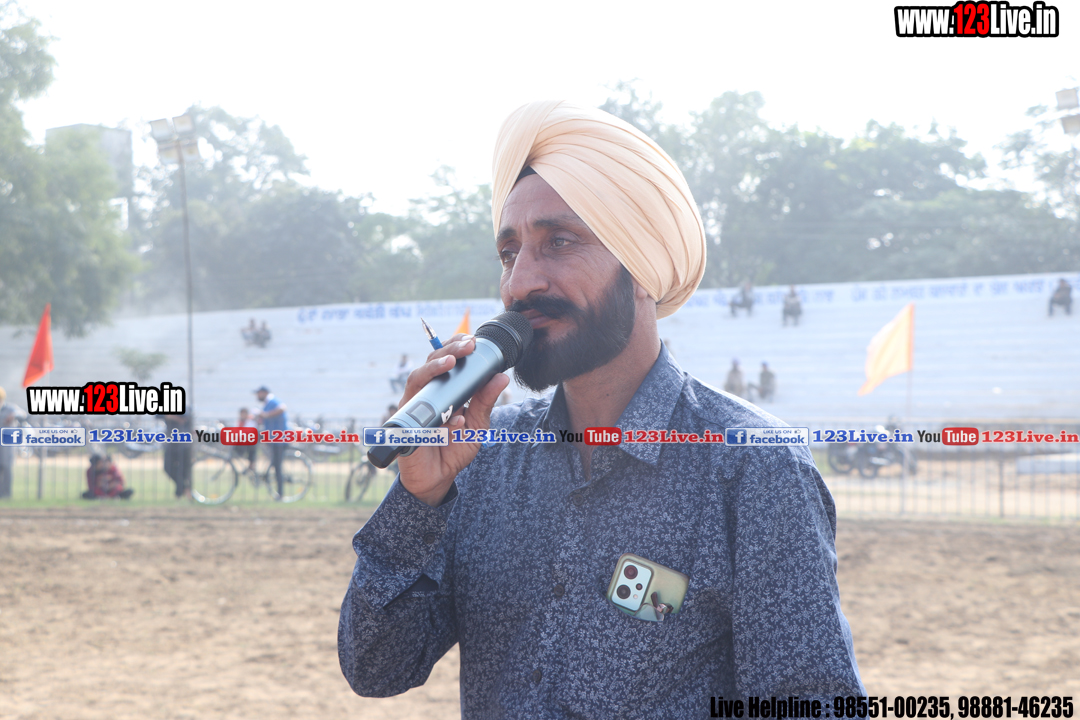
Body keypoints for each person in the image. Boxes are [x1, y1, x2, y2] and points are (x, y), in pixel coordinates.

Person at [338, 101, 863, 716]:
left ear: (641, 267)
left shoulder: (753, 469)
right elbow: (376, 668)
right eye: (509, 254)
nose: (520, 283)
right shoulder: (484, 457)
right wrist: (419, 501)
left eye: (559, 242)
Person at [254, 386, 287, 499]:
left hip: (279, 438)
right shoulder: (267, 403)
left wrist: (266, 415)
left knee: (277, 466)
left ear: (264, 393)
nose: (257, 396)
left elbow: (282, 408)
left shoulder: (273, 400)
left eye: (259, 393)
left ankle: (280, 494)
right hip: (272, 438)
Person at [0, 386, 27, 499]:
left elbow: (22, 413)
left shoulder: (10, 408)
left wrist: (14, 415)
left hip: (7, 444)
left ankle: (6, 494)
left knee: (6, 467)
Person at [161, 410, 193, 499]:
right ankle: (184, 488)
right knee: (168, 468)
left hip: (184, 445)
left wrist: (173, 417)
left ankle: (180, 493)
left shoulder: (186, 408)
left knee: (183, 471)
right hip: (171, 444)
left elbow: (185, 418)